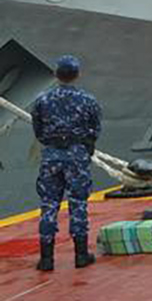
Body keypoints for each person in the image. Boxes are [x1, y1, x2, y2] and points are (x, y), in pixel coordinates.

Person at [31, 55, 101, 271]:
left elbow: (38, 130)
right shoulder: (88, 100)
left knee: (49, 204)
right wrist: (82, 145)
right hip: (77, 155)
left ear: (56, 74)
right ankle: (81, 255)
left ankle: (46, 258)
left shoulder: (42, 100)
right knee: (78, 202)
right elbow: (95, 129)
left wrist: (52, 143)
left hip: (51, 155)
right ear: (77, 74)